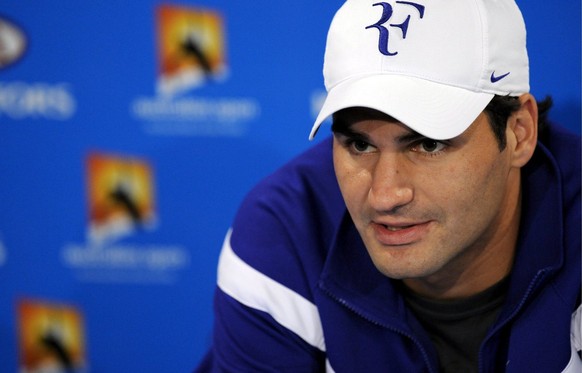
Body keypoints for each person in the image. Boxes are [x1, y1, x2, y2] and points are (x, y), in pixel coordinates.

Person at [196, 0, 581, 371]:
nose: (384, 195)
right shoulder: (284, 234)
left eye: (429, 144)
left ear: (520, 133)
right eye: (359, 145)